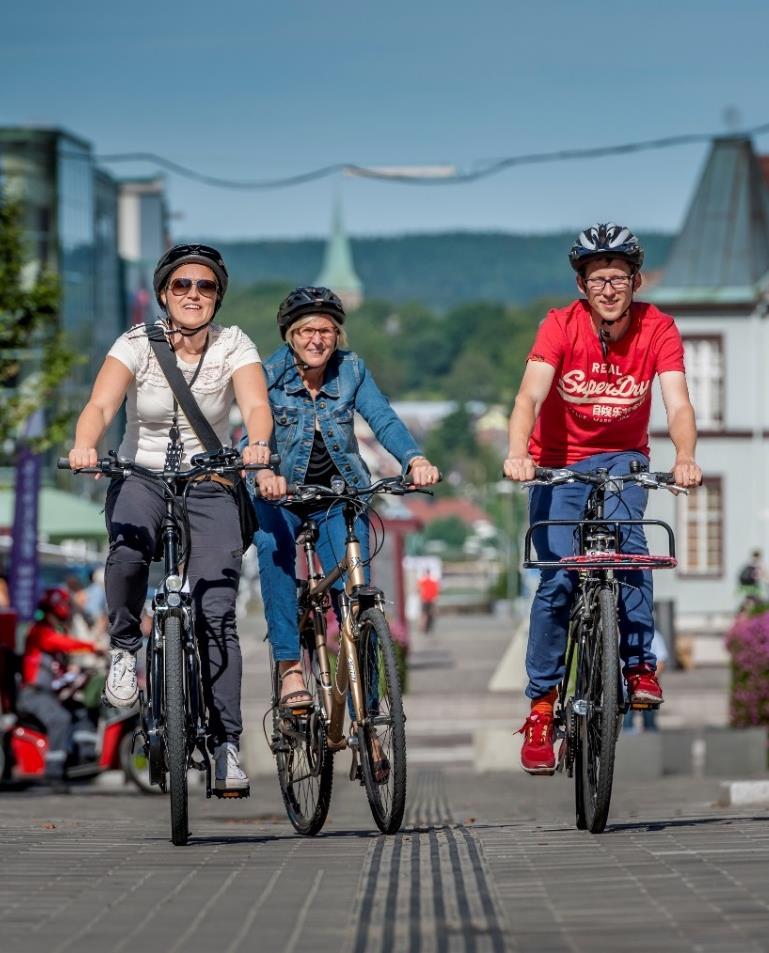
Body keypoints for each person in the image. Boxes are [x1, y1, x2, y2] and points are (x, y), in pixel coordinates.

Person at [67, 243, 275, 793]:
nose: (193, 295)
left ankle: (228, 744)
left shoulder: (234, 345)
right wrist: (86, 445)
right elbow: (101, 405)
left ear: (217, 297)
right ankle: (125, 648)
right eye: (181, 285)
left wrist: (257, 443)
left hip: (210, 481)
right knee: (129, 550)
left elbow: (256, 405)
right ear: (164, 293)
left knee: (217, 610)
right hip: (142, 474)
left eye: (205, 287)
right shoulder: (136, 343)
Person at [503, 223, 702, 775]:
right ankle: (542, 706)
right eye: (597, 279)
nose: (608, 289)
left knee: (629, 554)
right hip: (557, 463)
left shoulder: (658, 327)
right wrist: (519, 451)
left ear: (635, 280)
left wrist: (684, 456)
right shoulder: (559, 326)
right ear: (582, 285)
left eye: (617, 278)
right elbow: (530, 393)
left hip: (621, 460)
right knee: (559, 577)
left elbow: (678, 403)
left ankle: (639, 665)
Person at [252, 287, 439, 718]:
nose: (317, 339)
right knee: (271, 547)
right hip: (280, 492)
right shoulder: (267, 375)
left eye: (327, 331)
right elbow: (252, 431)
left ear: (338, 335)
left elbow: (383, 417)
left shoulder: (351, 370)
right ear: (290, 337)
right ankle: (290, 667)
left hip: (338, 494)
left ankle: (369, 716)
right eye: (307, 331)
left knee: (357, 597)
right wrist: (264, 472)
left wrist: (415, 458)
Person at [16, 587, 102, 786]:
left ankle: (84, 758)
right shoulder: (40, 631)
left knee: (81, 708)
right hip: (33, 695)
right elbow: (62, 644)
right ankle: (54, 772)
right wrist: (92, 647)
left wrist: (77, 676)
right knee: (60, 719)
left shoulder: (54, 629)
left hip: (49, 694)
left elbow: (58, 669)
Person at [622, 629, 669, 733]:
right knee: (627, 726)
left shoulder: (655, 636)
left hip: (646, 687)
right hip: (627, 687)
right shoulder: (623, 634)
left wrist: (646, 679)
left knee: (649, 725)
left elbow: (661, 662)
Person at [417, 568, 441, 634]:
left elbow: (419, 589)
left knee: (424, 613)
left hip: (425, 599)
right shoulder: (433, 580)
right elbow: (437, 589)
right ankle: (427, 626)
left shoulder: (422, 580)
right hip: (431, 599)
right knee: (430, 613)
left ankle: (423, 626)